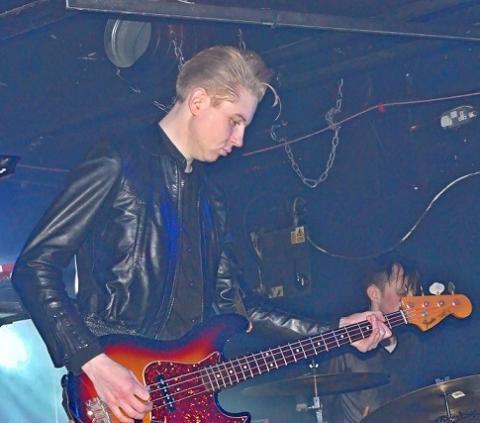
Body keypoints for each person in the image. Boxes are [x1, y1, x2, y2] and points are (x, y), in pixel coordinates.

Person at [11, 45, 391, 423]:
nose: (240, 139)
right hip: (117, 390)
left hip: (182, 403)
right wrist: (93, 361)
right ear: (197, 101)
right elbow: (34, 267)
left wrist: (336, 330)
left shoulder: (211, 201)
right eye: (235, 121)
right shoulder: (118, 162)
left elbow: (237, 308)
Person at [325, 256, 424, 423]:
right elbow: (324, 404)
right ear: (375, 294)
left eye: (413, 293)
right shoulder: (345, 349)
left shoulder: (413, 343)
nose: (411, 299)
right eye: (403, 292)